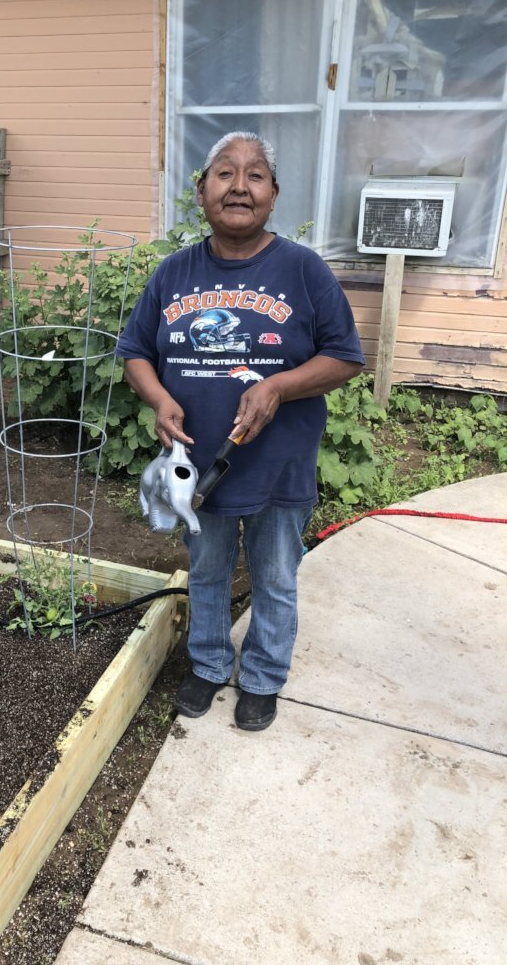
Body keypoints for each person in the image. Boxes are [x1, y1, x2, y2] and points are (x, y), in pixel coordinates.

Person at [116, 131, 365, 731]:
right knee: (205, 570)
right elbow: (135, 351)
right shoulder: (174, 272)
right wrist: (158, 398)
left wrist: (278, 386)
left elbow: (347, 356)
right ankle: (206, 664)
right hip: (200, 462)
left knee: (275, 575)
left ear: (273, 195)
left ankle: (262, 676)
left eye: (255, 176)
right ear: (202, 191)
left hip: (279, 461)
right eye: (225, 173)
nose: (239, 186)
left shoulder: (303, 270)